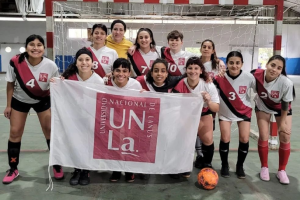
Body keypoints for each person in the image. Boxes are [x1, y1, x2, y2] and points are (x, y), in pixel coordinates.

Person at [2, 34, 62, 184]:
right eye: (32, 44)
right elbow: (10, 84)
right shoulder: (15, 62)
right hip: (19, 100)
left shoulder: (51, 66)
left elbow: (56, 87)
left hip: (42, 101)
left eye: (39, 45)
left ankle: (57, 164)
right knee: (15, 132)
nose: (35, 48)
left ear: (43, 48)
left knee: (49, 130)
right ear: (26, 47)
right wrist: (8, 105)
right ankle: (13, 168)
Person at [51, 47, 104, 186]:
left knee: (87, 145)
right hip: (73, 118)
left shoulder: (98, 81)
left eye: (87, 59)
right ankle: (77, 169)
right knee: (75, 143)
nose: (84, 62)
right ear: (76, 62)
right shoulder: (69, 78)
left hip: (90, 118)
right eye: (81, 60)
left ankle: (85, 170)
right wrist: (56, 83)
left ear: (93, 62)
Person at [173, 57, 220, 178]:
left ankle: (207, 164)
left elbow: (216, 108)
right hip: (186, 114)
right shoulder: (180, 84)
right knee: (184, 139)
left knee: (208, 139)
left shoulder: (208, 85)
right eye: (190, 68)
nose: (193, 71)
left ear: (201, 70)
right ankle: (183, 165)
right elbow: (174, 106)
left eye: (196, 68)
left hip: (203, 113)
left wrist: (208, 101)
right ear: (186, 70)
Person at [251, 55, 295, 185]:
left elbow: (286, 104)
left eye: (279, 68)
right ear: (267, 64)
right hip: (263, 106)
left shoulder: (286, 83)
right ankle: (264, 167)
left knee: (285, 137)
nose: (274, 69)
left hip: (282, 108)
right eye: (273, 65)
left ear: (281, 71)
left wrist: (281, 124)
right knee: (264, 136)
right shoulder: (256, 75)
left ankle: (282, 170)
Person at [214, 51, 256, 179]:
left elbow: (258, 91)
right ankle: (224, 165)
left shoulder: (249, 77)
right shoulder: (219, 78)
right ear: (226, 64)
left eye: (238, 63)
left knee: (244, 139)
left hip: (243, 111)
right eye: (231, 63)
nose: (234, 66)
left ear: (242, 64)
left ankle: (239, 166)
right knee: (225, 138)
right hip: (225, 113)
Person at [106, 58, 142, 183]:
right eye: (118, 70)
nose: (121, 74)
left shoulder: (135, 85)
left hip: (129, 120)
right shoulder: (106, 83)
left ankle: (128, 170)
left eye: (124, 71)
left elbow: (140, 104)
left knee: (128, 145)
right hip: (112, 120)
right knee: (114, 144)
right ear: (112, 71)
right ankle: (115, 170)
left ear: (129, 73)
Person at [194, 39, 226, 169]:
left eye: (209, 47)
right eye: (204, 46)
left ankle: (206, 156)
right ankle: (199, 155)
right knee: (197, 130)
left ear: (213, 50)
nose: (206, 49)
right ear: (201, 49)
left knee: (207, 130)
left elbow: (223, 77)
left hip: (212, 99)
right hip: (198, 100)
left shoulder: (218, 64)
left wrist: (221, 63)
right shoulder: (197, 62)